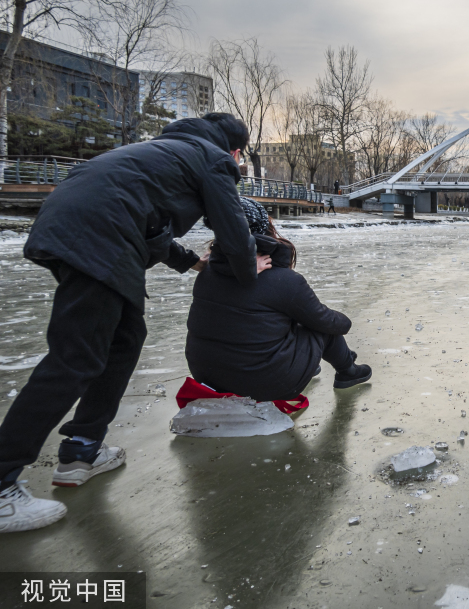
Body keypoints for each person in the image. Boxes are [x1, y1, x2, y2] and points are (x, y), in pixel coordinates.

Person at [0, 113, 262, 533]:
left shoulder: (164, 152)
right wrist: (250, 279)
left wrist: (194, 262)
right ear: (235, 150)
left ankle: (82, 450)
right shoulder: (213, 159)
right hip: (100, 235)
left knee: (123, 339)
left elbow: (154, 231)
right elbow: (233, 231)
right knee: (75, 358)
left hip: (71, 222)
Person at [186, 199, 371, 403]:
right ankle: (348, 372)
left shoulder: (207, 271)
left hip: (206, 377)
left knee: (268, 318)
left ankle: (303, 363)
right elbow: (326, 321)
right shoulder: (283, 280)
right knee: (319, 327)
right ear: (265, 228)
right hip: (263, 384)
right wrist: (347, 321)